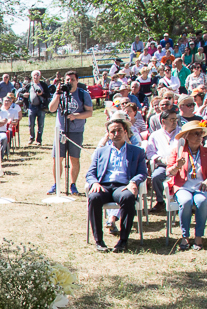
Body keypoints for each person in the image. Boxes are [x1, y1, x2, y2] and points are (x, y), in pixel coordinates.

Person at [85, 117, 148, 253]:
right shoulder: (100, 152)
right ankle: (99, 241)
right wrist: (94, 182)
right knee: (94, 197)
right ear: (108, 134)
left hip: (124, 185)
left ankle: (123, 241)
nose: (116, 133)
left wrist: (133, 182)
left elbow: (143, 172)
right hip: (104, 186)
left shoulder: (137, 151)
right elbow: (90, 173)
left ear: (125, 132)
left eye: (119, 130)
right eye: (112, 131)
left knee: (128, 197)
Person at [167, 122, 207, 251]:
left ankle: (199, 236)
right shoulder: (178, 151)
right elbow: (169, 172)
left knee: (201, 201)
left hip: (203, 187)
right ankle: (185, 236)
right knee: (186, 201)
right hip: (183, 186)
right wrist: (177, 166)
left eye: (201, 134)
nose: (200, 137)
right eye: (196, 133)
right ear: (187, 136)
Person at [48, 71, 94, 195]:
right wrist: (57, 94)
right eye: (67, 80)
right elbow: (51, 109)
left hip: (76, 131)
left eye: (72, 79)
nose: (69, 82)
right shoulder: (60, 93)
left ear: (77, 80)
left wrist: (76, 116)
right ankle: (56, 184)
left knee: (74, 159)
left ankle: (73, 184)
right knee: (57, 158)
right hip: (61, 131)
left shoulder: (83, 94)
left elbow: (89, 112)